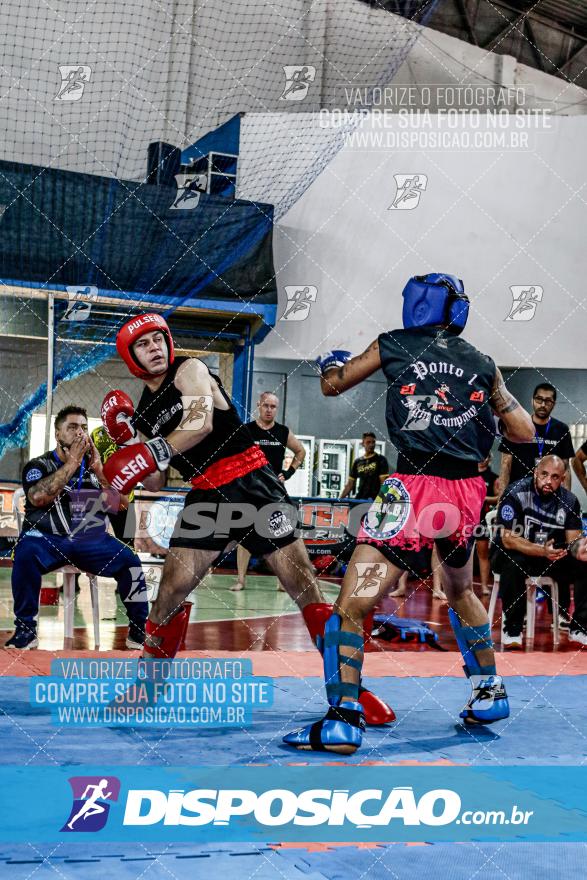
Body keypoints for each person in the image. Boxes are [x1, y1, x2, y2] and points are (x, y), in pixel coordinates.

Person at [100, 313, 393, 726]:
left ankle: (351, 691)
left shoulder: (191, 369)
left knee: (304, 588)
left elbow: (199, 422)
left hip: (252, 480)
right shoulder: (146, 409)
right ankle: (145, 689)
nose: (154, 348)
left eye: (158, 339)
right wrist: (129, 440)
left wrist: (151, 450)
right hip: (206, 494)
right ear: (130, 357)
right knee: (168, 592)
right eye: (143, 344)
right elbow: (156, 477)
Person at [283, 273, 534, 754]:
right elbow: (522, 432)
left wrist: (330, 363)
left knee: (353, 604)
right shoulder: (482, 361)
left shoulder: (393, 343)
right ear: (453, 309)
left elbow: (334, 386)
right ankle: (489, 692)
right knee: (460, 590)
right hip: (464, 493)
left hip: (413, 488)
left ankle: (342, 721)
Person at [5, 406, 148, 650]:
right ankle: (26, 631)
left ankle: (138, 629)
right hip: (46, 539)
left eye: (83, 427)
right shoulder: (38, 465)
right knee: (25, 553)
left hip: (89, 539)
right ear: (58, 434)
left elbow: (120, 505)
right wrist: (72, 463)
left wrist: (101, 472)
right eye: (72, 427)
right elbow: (39, 497)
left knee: (131, 560)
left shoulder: (94, 469)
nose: (80, 433)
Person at [491, 455, 586, 646]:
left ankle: (579, 627)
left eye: (555, 477)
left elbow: (573, 540)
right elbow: (508, 539)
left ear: (563, 478)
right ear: (535, 472)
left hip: (549, 557)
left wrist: (579, 549)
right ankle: (513, 628)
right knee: (513, 561)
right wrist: (540, 550)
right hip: (516, 553)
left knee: (585, 563)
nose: (548, 481)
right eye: (544, 474)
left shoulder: (569, 501)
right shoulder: (515, 492)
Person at [230, 391, 306, 591]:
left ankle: (283, 582)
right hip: (249, 491)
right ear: (259, 405)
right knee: (245, 537)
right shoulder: (246, 430)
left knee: (280, 535)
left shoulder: (282, 432)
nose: (269, 410)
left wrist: (288, 473)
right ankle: (240, 580)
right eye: (266, 405)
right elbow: (233, 455)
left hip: (274, 491)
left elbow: (301, 451)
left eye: (273, 407)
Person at [498, 383, 574, 494]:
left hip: (549, 494)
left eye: (548, 401)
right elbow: (505, 464)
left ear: (554, 404)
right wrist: (501, 499)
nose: (543, 404)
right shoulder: (516, 425)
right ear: (532, 400)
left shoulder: (561, 429)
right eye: (539, 399)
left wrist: (567, 503)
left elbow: (565, 468)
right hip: (519, 493)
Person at [476, 453, 499, 596]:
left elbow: (498, 498)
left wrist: (483, 498)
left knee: (483, 554)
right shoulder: (468, 473)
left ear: (489, 459)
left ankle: (484, 586)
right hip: (466, 517)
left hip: (481, 519)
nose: (481, 459)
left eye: (484, 457)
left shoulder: (493, 478)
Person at [339, 433, 388, 501]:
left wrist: (381, 500)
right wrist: (340, 499)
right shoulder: (358, 462)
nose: (371, 445)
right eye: (368, 442)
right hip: (360, 498)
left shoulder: (381, 459)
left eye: (373, 442)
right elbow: (350, 484)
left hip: (374, 499)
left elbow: (384, 482)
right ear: (363, 444)